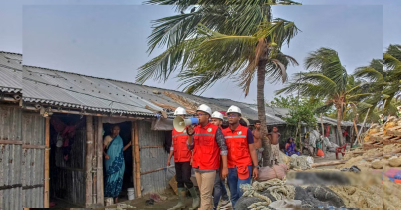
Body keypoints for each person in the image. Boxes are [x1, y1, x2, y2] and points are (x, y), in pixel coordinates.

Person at [187, 104, 228, 210]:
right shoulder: (196, 129)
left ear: (207, 116)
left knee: (205, 195)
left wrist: (224, 167)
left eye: (200, 114)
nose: (198, 116)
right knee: (205, 194)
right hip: (197, 166)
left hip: (209, 168)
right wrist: (190, 135)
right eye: (197, 114)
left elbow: (223, 148)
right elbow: (190, 146)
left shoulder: (215, 130)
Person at [221, 105, 259, 208]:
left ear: (239, 117)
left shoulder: (246, 131)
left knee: (243, 193)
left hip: (244, 167)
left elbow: (252, 150)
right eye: (229, 115)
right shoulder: (223, 133)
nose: (230, 117)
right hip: (230, 168)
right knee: (233, 195)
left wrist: (256, 167)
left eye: (233, 115)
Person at [167, 107, 199, 210]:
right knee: (179, 180)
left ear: (185, 117)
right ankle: (181, 202)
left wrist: (193, 157)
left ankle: (195, 198)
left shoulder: (189, 128)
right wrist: (169, 158)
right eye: (178, 116)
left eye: (182, 116)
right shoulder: (174, 130)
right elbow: (172, 145)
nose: (180, 118)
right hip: (177, 158)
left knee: (186, 178)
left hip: (187, 158)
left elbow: (193, 144)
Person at [103, 125, 132, 204]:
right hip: (110, 161)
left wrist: (129, 144)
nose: (116, 131)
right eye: (115, 129)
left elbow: (121, 150)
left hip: (119, 161)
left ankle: (116, 198)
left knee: (119, 178)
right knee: (111, 178)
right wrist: (105, 154)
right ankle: (109, 196)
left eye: (118, 129)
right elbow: (101, 149)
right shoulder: (107, 138)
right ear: (111, 129)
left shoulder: (120, 139)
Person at [210, 111, 231, 210]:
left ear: (220, 122)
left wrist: (224, 166)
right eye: (212, 120)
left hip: (219, 162)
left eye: (215, 120)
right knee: (218, 183)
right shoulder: (211, 131)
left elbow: (224, 149)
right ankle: (225, 198)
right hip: (211, 162)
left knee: (217, 184)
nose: (213, 122)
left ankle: (215, 205)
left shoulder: (220, 132)